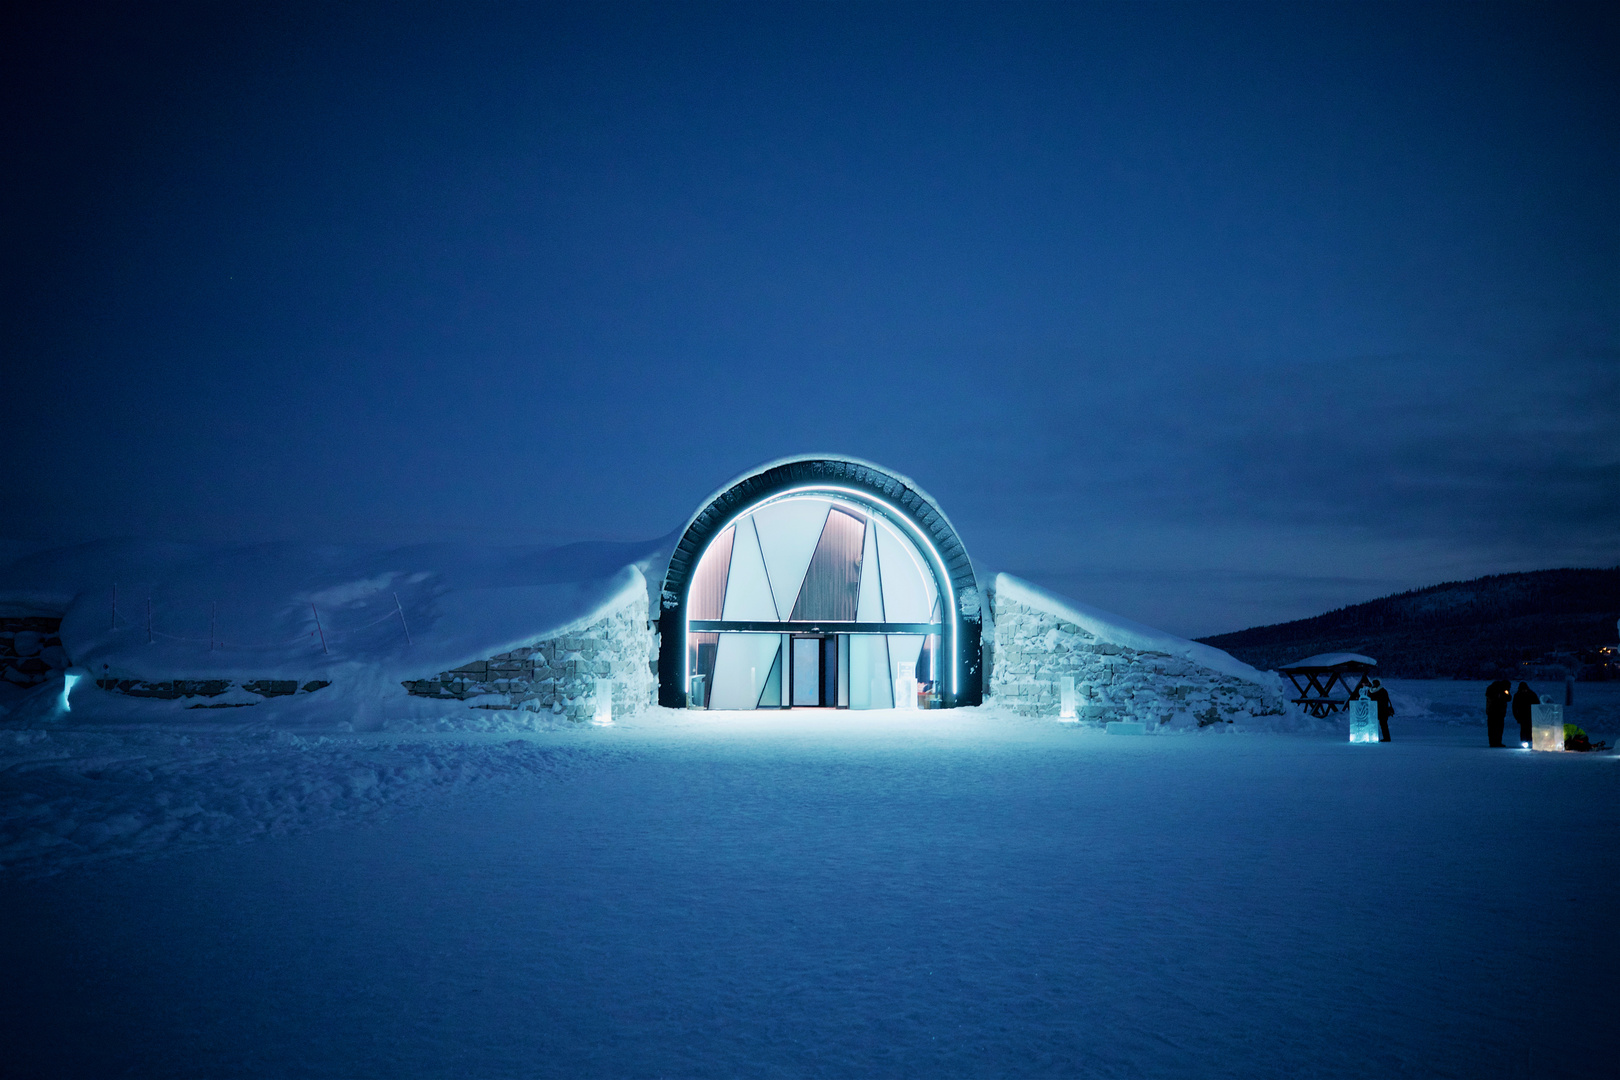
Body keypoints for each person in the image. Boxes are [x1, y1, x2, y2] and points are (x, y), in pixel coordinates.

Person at [1511, 681, 1540, 747]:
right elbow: (1514, 707)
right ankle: (1526, 741)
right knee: (1525, 729)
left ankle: (1528, 741)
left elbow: (1514, 707)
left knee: (1527, 729)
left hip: (1527, 715)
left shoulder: (1519, 695)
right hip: (1524, 715)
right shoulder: (1531, 694)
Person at [1485, 679, 1513, 747]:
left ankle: (1496, 742)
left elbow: (1509, 698)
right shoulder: (1494, 689)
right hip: (1494, 712)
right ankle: (1494, 742)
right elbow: (1505, 698)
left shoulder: (1500, 690)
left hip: (1497, 712)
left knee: (1497, 728)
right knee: (1495, 728)